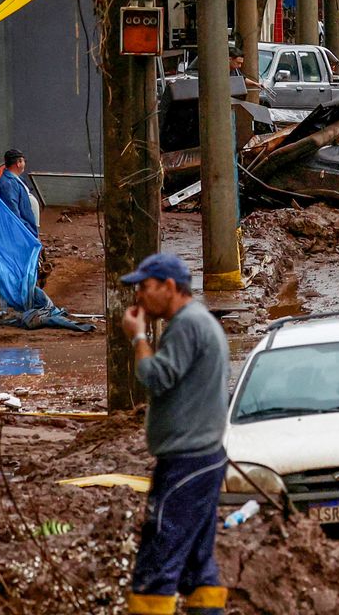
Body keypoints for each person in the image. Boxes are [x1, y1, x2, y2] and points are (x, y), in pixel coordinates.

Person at [119, 253, 230, 615]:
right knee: (198, 562)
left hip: (187, 461)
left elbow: (155, 377)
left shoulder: (187, 325)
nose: (139, 298)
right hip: (203, 457)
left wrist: (138, 337)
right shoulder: (197, 322)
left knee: (159, 557)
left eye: (145, 288)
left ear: (169, 287)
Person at [0, 148, 39, 238]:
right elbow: (13, 214)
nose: (24, 164)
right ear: (18, 163)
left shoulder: (16, 179)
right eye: (23, 161)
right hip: (23, 232)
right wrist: (28, 232)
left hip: (28, 227)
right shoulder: (8, 184)